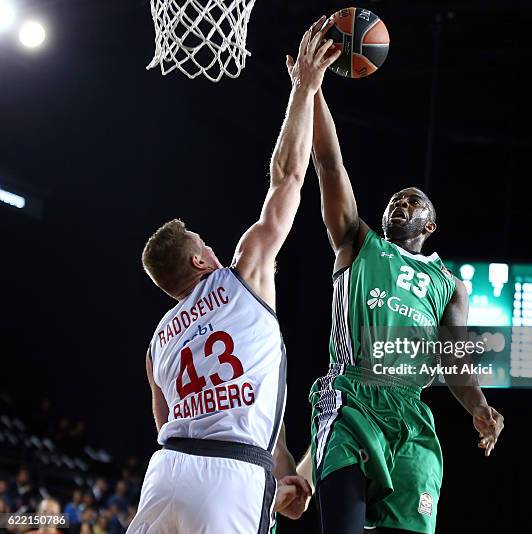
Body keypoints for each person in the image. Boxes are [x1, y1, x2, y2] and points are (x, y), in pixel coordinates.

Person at [127, 19, 341, 534]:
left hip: (165, 473)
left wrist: (277, 473)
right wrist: (305, 89)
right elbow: (287, 178)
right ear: (201, 263)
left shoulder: (159, 342)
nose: (212, 246)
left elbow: (169, 423)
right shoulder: (242, 275)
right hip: (232, 474)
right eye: (204, 243)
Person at [295, 17, 506, 534]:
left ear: (429, 225)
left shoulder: (448, 285)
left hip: (412, 415)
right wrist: (312, 88)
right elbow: (328, 164)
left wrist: (479, 406)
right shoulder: (357, 243)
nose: (400, 202)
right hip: (350, 400)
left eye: (413, 201)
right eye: (395, 198)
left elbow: (456, 357)